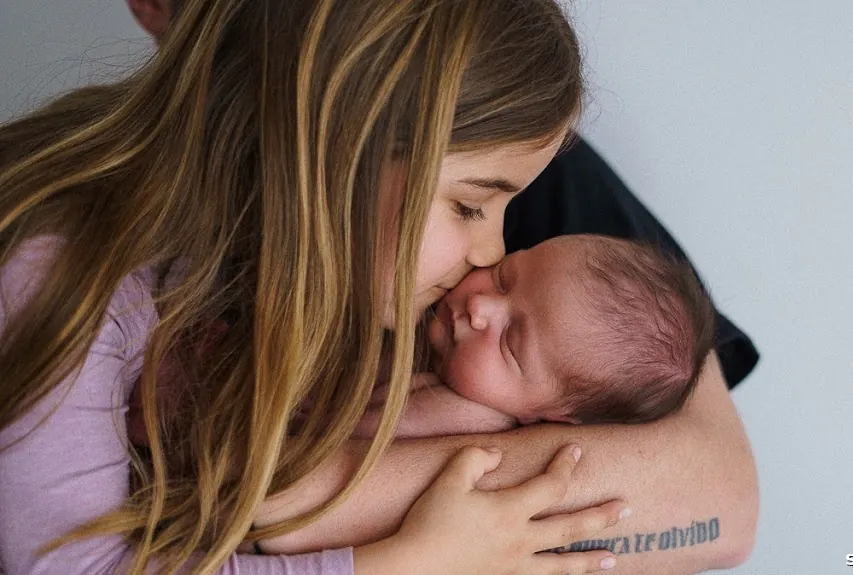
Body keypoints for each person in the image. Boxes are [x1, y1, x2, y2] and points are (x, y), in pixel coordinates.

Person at [2, 1, 761, 574]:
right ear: (335, 145)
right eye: (470, 207)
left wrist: (351, 498)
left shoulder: (490, 127)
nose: (491, 257)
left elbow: (720, 499)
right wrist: (405, 554)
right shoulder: (67, 275)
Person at [350, 234, 718, 439]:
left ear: (552, 416)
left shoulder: (466, 422)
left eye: (510, 342)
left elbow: (342, 447)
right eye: (503, 277)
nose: (479, 305)